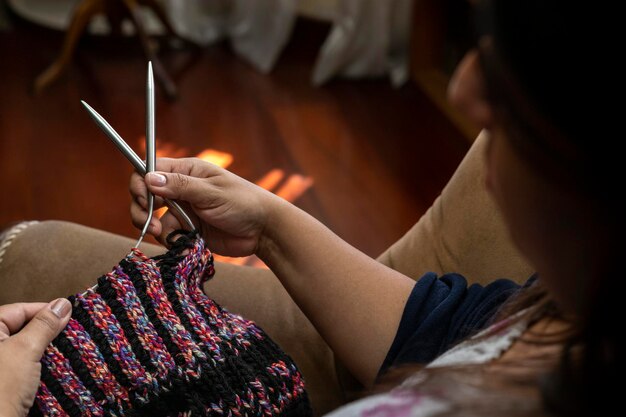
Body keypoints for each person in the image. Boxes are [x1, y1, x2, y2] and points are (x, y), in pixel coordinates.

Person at [0, 0, 621, 415]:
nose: (462, 89)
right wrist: (268, 223)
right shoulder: (570, 311)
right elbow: (450, 333)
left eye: (518, 76)